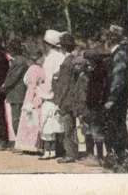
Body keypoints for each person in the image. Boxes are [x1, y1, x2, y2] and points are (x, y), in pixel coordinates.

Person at [103, 25, 128, 169]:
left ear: (114, 38)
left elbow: (118, 78)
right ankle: (120, 158)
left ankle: (125, 158)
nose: (107, 38)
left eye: (109, 36)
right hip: (115, 97)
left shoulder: (119, 54)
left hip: (117, 98)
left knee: (118, 126)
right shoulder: (115, 53)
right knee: (114, 126)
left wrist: (112, 98)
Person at [56, 54, 90, 163]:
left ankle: (71, 155)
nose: (74, 67)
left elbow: (81, 95)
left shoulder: (82, 77)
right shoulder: (78, 77)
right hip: (74, 107)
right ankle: (73, 154)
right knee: (73, 131)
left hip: (76, 107)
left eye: (76, 65)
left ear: (80, 66)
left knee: (71, 131)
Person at [79, 48, 109, 167]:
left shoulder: (98, 72)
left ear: (92, 59)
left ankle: (99, 158)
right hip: (96, 104)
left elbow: (96, 91)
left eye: (88, 60)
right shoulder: (100, 69)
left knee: (96, 131)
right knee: (95, 130)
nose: (87, 62)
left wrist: (92, 103)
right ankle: (97, 156)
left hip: (96, 105)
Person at [14, 41, 46, 153]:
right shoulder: (40, 68)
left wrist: (27, 102)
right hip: (39, 97)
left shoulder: (33, 69)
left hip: (32, 98)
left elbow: (31, 87)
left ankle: (30, 145)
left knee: (30, 122)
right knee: (36, 122)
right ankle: (37, 145)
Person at [39, 30, 64, 158]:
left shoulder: (51, 58)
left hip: (51, 93)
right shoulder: (61, 56)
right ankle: (57, 149)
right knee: (57, 123)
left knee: (50, 122)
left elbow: (48, 78)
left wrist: (45, 93)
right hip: (59, 92)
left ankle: (52, 150)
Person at [52, 32, 76, 160]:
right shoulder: (72, 60)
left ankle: (70, 154)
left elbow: (64, 85)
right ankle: (72, 152)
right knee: (70, 126)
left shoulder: (67, 63)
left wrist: (59, 101)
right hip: (71, 98)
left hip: (66, 99)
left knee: (68, 128)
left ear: (63, 47)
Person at [2, 38, 29, 148]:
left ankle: (20, 143)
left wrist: (4, 86)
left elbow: (13, 77)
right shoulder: (20, 60)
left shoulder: (19, 61)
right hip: (17, 93)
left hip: (17, 93)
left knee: (16, 119)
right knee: (16, 119)